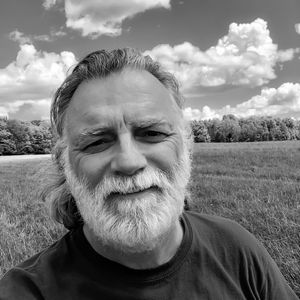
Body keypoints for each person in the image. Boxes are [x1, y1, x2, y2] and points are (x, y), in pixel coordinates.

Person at [0, 48, 298, 300]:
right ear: (64, 163)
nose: (129, 162)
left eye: (152, 133)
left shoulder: (236, 248)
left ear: (186, 146)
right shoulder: (26, 291)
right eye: (97, 141)